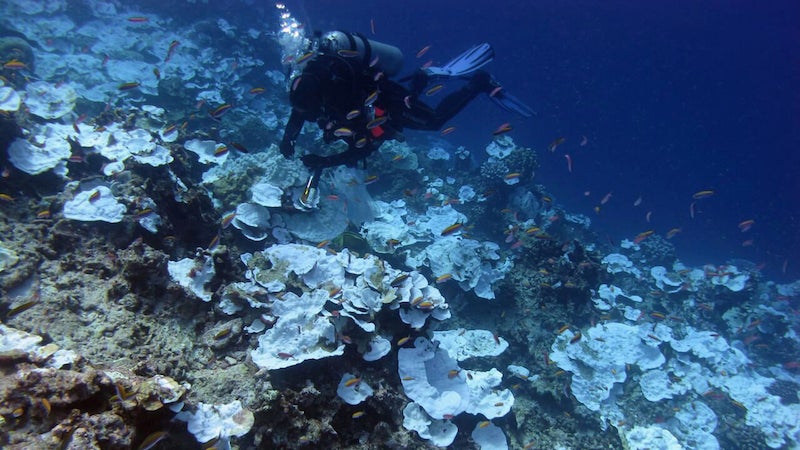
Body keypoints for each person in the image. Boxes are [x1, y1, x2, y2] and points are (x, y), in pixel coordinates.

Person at [279, 31, 532, 207]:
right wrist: (288, 138)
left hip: (387, 102)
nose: (309, 117)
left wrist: (325, 161)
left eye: (311, 112)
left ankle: (476, 83)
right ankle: (424, 79)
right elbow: (300, 110)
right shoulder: (310, 85)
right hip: (362, 103)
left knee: (433, 121)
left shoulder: (338, 96)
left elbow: (365, 146)